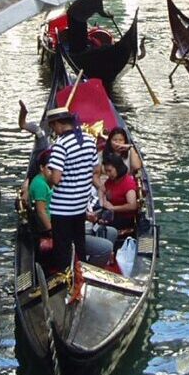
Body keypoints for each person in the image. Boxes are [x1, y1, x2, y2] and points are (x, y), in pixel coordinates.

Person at [46, 106, 100, 269]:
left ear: (58, 124)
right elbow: (96, 170)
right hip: (80, 206)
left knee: (62, 250)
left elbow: (55, 179)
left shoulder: (61, 145)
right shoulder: (90, 140)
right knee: (79, 245)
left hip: (62, 209)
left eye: (52, 127)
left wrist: (47, 173)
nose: (53, 130)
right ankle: (82, 275)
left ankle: (66, 281)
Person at [96, 152, 139, 231]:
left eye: (110, 171)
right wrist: (104, 202)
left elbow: (132, 205)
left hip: (124, 219)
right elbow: (103, 190)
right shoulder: (111, 180)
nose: (108, 174)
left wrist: (113, 208)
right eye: (106, 171)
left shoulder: (127, 183)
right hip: (110, 214)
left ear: (118, 168)